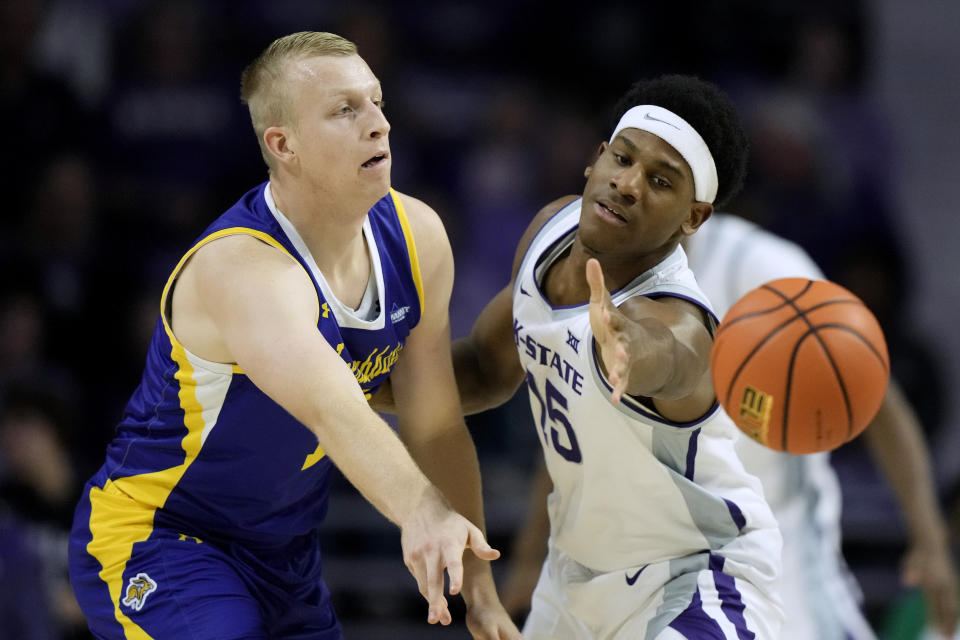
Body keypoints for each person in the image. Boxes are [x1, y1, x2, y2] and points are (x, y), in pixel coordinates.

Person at [67, 31, 519, 640]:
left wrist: (482, 594)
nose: (378, 124)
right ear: (284, 145)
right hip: (159, 534)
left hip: (283, 554)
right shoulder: (244, 269)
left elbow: (434, 425)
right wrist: (421, 510)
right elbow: (335, 412)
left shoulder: (417, 235)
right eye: (344, 111)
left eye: (377, 101)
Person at [376, 74, 785, 638]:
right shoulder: (551, 228)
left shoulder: (680, 319)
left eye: (660, 182)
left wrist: (628, 348)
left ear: (694, 217)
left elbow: (669, 354)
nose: (629, 184)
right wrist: (352, 384)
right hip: (574, 580)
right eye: (623, 159)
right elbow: (485, 371)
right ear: (596, 160)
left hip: (693, 579)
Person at [502, 213, 960, 640]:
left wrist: (929, 539)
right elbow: (578, 431)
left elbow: (876, 394)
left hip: (778, 547)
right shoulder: (597, 272)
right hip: (657, 552)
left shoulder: (764, 267)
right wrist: (528, 556)